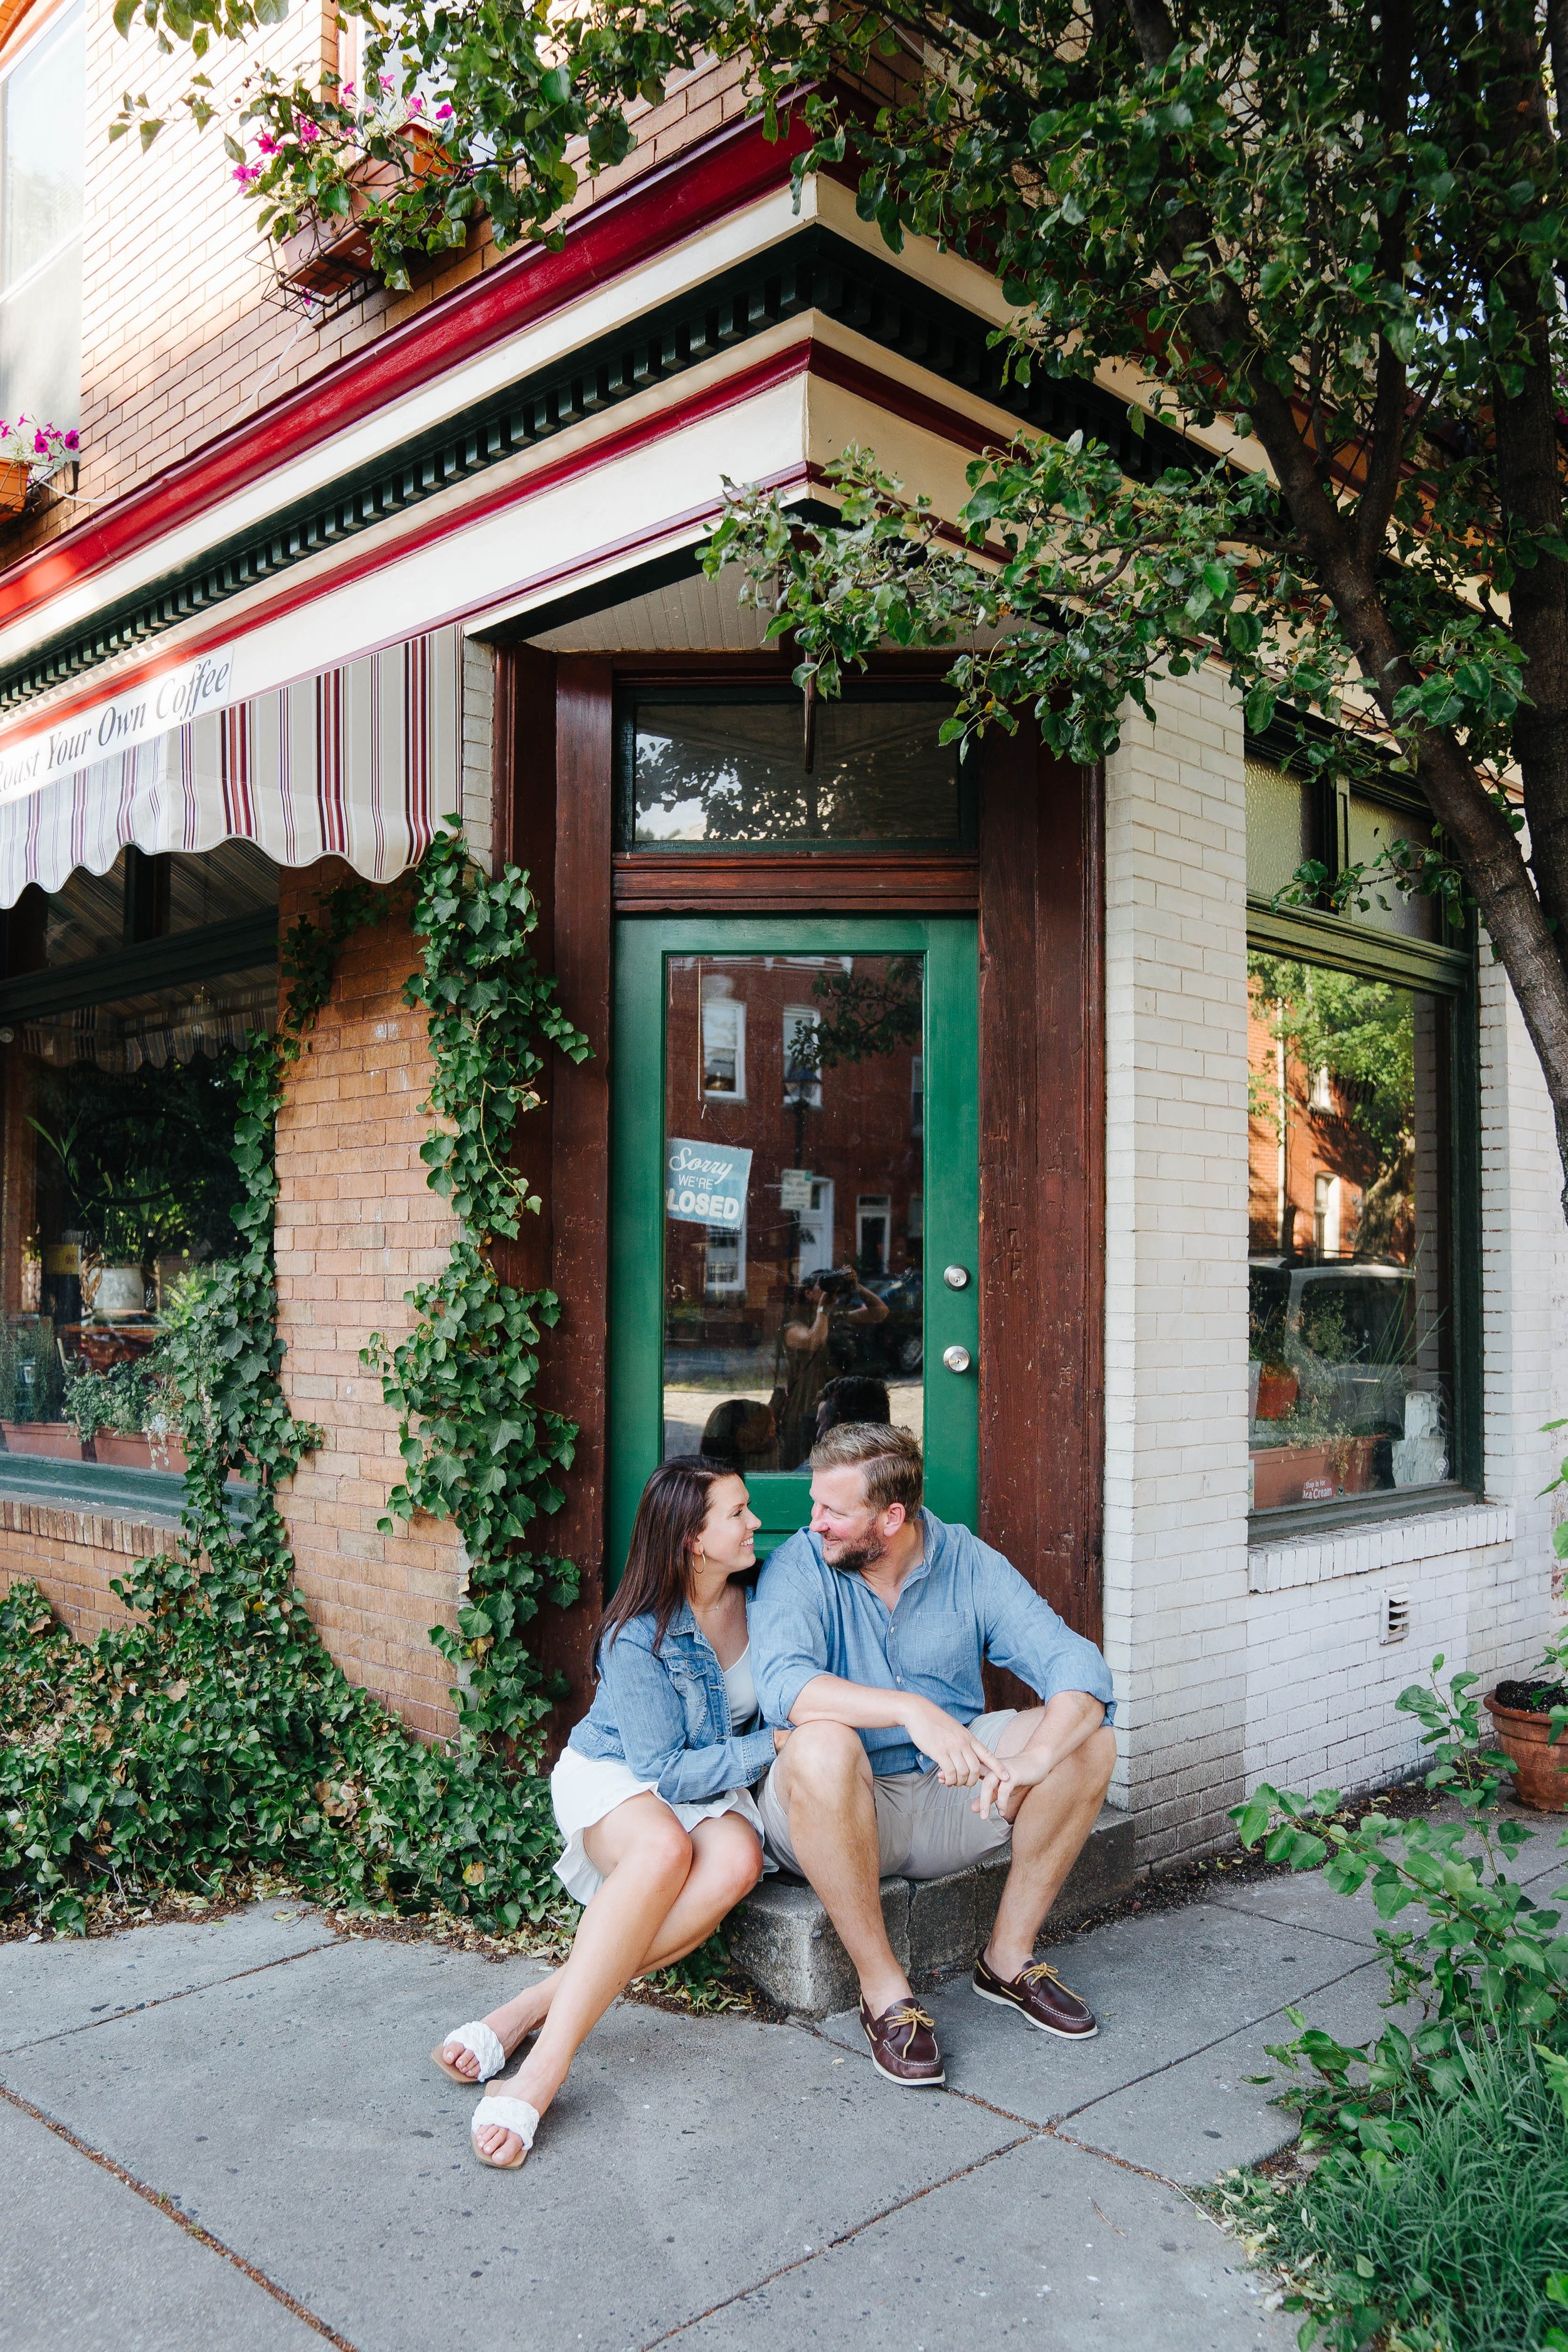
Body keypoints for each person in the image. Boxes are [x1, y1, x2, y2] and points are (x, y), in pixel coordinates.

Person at [432, 1456, 784, 2168]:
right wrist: (771, 1747)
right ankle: (543, 2071)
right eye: (738, 1513)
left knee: (739, 1862)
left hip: (711, 1772)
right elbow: (663, 1773)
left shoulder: (770, 1591)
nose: (755, 1522)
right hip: (621, 1773)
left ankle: (536, 2004)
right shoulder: (638, 1636)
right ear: (692, 1538)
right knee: (661, 1854)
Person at [749, 1421, 1116, 2089]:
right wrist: (909, 1708)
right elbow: (784, 1687)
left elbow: (1078, 1666)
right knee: (822, 1741)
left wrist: (1033, 1763)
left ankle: (1007, 1960)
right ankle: (884, 1991)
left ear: (891, 1518)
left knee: (1088, 1737)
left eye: (833, 1511)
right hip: (836, 1808)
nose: (814, 1523)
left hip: (953, 1796)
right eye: (814, 1505)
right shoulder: (800, 1565)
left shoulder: (967, 1562)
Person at [773, 1266, 889, 1468]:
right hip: (808, 1406)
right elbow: (813, 1343)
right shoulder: (792, 1326)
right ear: (808, 1293)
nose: (830, 1291)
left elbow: (880, 1313)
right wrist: (823, 1310)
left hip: (838, 1402)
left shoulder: (837, 1316)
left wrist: (856, 1286)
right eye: (823, 1286)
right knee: (812, 1460)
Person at [699, 1396, 780, 1474]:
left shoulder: (769, 1450)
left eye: (769, 1427)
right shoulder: (712, 1453)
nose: (767, 1433)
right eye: (758, 1424)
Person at [815, 1374, 891, 1445]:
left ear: (839, 1424)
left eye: (821, 1424)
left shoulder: (823, 1458)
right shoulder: (899, 1454)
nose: (818, 1436)